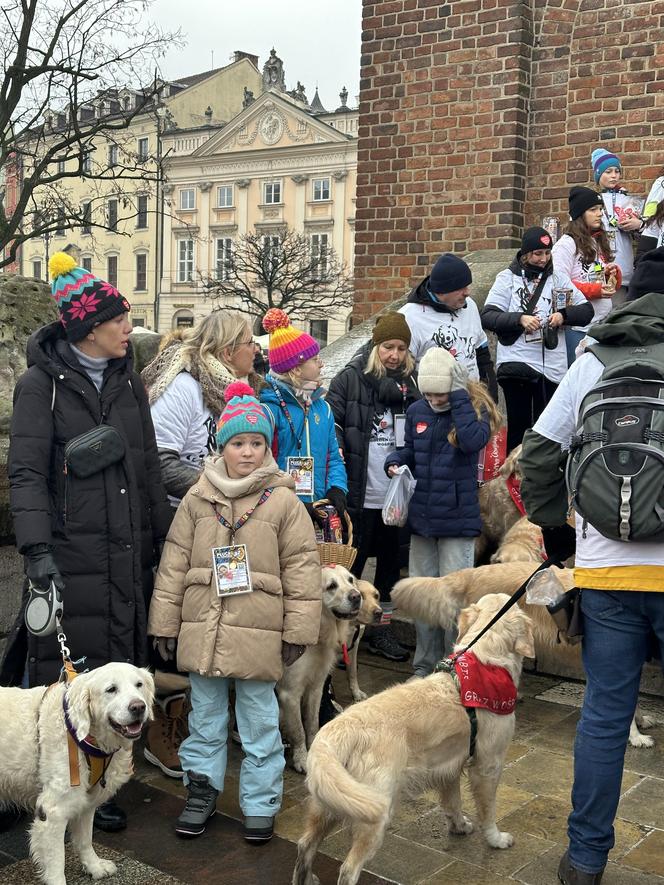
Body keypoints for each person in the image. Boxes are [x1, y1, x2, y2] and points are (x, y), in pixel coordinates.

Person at [4, 251, 172, 833]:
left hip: (125, 553)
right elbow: (24, 472)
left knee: (120, 671)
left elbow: (147, 465)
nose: (130, 327)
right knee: (67, 677)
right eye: (120, 319)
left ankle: (103, 782)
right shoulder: (39, 387)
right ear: (88, 328)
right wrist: (36, 551)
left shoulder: (128, 382)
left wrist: (161, 541)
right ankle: (62, 781)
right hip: (70, 550)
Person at [519, 294, 664, 885]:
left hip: (605, 574)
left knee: (605, 717)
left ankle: (584, 861)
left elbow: (538, 453)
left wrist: (559, 532)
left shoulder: (589, 362)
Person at [148, 382, 321, 840]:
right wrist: (164, 622)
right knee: (204, 719)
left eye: (256, 443)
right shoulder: (196, 499)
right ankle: (201, 790)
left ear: (268, 447)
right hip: (204, 627)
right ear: (222, 446)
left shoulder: (283, 502)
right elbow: (174, 561)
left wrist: (298, 631)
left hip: (259, 631)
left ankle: (261, 801)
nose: (247, 452)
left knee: (260, 722)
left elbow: (303, 569)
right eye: (238, 443)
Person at [384, 347, 501, 677]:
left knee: (455, 600)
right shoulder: (419, 410)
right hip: (422, 518)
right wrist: (395, 461)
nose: (435, 400)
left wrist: (460, 400)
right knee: (424, 599)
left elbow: (471, 441)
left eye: (441, 393)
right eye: (429, 394)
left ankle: (454, 665)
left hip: (458, 521)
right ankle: (424, 665)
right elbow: (410, 450)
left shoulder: (471, 410)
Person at [326, 312, 420, 662]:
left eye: (400, 348)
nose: (394, 355)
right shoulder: (352, 379)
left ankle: (381, 632)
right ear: (375, 346)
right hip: (359, 490)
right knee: (353, 565)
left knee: (390, 568)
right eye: (387, 347)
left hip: (396, 494)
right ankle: (342, 635)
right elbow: (330, 420)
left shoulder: (416, 382)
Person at [481, 227, 593, 452]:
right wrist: (519, 319)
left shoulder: (559, 278)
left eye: (547, 253)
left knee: (548, 429)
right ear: (525, 254)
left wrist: (563, 315)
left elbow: (587, 311)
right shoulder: (507, 279)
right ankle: (515, 480)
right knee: (520, 428)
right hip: (517, 363)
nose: (543, 259)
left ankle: (543, 479)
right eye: (537, 254)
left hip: (552, 366)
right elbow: (488, 316)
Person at [142, 310, 262, 504]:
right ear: (228, 352)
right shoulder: (183, 387)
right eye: (249, 343)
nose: (256, 349)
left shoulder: (244, 390)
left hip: (224, 506)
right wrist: (220, 489)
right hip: (181, 511)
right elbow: (159, 462)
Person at [259, 308, 348, 519]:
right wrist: (288, 503)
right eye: (315, 359)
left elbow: (333, 457)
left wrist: (337, 488)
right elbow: (260, 467)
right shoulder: (268, 409)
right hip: (279, 513)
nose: (321, 363)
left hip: (318, 508)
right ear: (296, 368)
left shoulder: (322, 407)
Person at [399, 252, 498, 401]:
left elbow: (481, 353)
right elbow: (403, 370)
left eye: (467, 286)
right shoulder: (409, 317)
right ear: (442, 290)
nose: (467, 293)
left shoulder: (469, 306)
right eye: (461, 288)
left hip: (474, 400)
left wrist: (490, 395)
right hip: (436, 405)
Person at [552, 186, 621, 364]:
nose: (599, 214)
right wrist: (595, 290)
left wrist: (610, 275)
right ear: (579, 214)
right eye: (593, 210)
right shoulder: (565, 245)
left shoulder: (595, 241)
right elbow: (559, 286)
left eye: (600, 209)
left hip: (600, 325)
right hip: (578, 328)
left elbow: (592, 276)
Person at [591, 148, 644, 303]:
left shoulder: (628, 201)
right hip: (597, 268)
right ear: (598, 174)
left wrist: (637, 224)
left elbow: (644, 235)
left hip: (623, 268)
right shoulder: (590, 200)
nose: (613, 176)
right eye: (608, 172)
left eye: (617, 171)